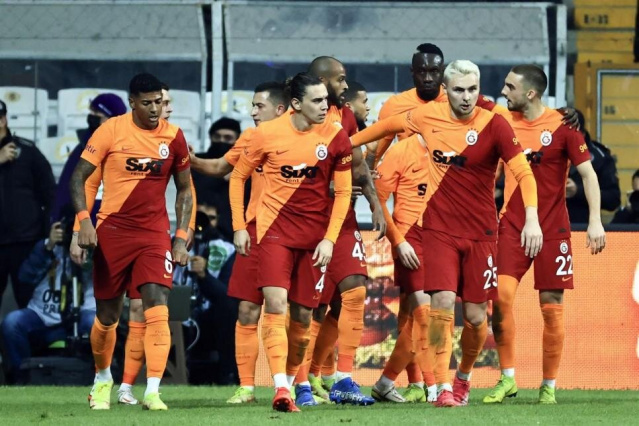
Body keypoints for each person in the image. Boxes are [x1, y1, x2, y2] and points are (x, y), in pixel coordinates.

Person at [351, 60, 543, 407]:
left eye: (472, 90)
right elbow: (386, 126)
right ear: (446, 90)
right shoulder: (428, 116)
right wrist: (344, 144)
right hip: (438, 229)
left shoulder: (495, 124)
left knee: (475, 318)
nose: (466, 97)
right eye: (458, 90)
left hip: (481, 232)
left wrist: (532, 218)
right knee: (439, 305)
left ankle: (463, 378)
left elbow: (524, 173)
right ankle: (441, 388)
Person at [229, 72, 353, 412]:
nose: (325, 106)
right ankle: (281, 388)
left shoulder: (336, 136)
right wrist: (240, 226)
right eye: (317, 100)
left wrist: (329, 240)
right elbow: (237, 177)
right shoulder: (266, 134)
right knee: (275, 304)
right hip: (273, 235)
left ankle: (291, 380)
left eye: (325, 99)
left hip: (313, 240)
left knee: (302, 319)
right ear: (296, 104)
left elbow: (343, 194)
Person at [484, 65, 606, 406]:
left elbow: (588, 175)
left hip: (553, 228)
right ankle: (508, 378)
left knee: (551, 306)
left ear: (531, 93)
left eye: (510, 86)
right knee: (501, 299)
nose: (503, 92)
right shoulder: (502, 123)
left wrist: (595, 221)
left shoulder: (564, 127)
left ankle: (548, 385)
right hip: (512, 225)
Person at [70, 72, 192, 411]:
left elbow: (185, 189)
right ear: (132, 103)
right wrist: (84, 223)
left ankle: (152, 391)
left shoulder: (174, 136)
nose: (155, 109)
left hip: (154, 234)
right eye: (147, 103)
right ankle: (102, 378)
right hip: (113, 232)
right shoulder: (110, 130)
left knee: (157, 305)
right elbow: (78, 178)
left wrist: (181, 237)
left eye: (159, 102)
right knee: (107, 316)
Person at [190, 81, 289, 404]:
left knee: (295, 312)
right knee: (246, 309)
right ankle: (246, 386)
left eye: (259, 106)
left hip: (294, 236)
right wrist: (190, 160)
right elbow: (222, 168)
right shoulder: (250, 138)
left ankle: (298, 383)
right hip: (256, 233)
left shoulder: (306, 137)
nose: (253, 112)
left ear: (280, 109)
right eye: (253, 106)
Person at [296, 58, 383, 407]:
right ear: (322, 80)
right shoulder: (293, 119)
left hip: (342, 218)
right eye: (341, 79)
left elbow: (358, 166)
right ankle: (303, 380)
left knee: (355, 288)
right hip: (305, 222)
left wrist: (375, 204)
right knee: (310, 306)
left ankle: (343, 378)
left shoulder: (345, 116)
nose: (346, 86)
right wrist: (322, 187)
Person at [368, 133, 437, 404]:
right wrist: (398, 241)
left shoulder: (455, 146)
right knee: (424, 313)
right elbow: (378, 197)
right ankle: (432, 385)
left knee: (413, 315)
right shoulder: (401, 152)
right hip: (410, 239)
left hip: (443, 240)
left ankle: (395, 383)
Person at [1, 219, 95, 384]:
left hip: (80, 317)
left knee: (97, 324)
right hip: (42, 317)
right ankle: (22, 379)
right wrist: (48, 246)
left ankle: (97, 378)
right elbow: (25, 277)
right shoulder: (46, 247)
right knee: (12, 322)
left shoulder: (93, 249)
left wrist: (89, 247)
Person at [0, 99, 57, 309]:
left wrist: (47, 235)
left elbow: (50, 194)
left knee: (30, 305)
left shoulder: (28, 152)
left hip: (25, 242)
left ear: (3, 120)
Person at [52, 93, 127, 223]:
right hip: (83, 223)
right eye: (92, 111)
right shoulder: (83, 146)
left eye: (97, 112)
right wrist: (57, 219)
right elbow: (66, 187)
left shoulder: (127, 150)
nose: (92, 115)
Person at [565, 110, 621, 223]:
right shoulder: (546, 152)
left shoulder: (600, 158)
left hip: (583, 225)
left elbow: (613, 199)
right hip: (547, 226)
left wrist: (578, 191)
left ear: (582, 134)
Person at [192, 117, 243, 239]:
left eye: (228, 138)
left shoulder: (246, 166)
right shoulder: (198, 162)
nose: (221, 141)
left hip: (234, 233)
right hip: (200, 230)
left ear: (237, 140)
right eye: (217, 136)